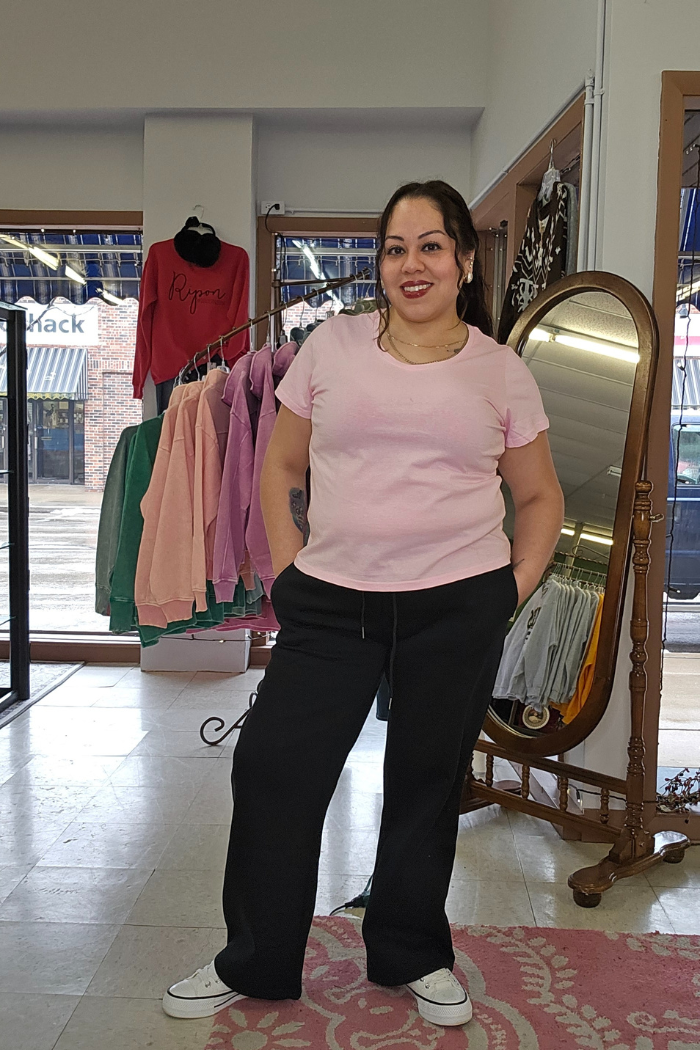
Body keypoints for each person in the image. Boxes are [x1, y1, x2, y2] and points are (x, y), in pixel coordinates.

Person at [163, 180, 564, 1028]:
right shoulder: (331, 348)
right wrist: (288, 575)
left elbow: (538, 498)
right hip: (332, 604)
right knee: (274, 771)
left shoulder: (501, 370)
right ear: (378, 264)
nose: (410, 264)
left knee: (425, 782)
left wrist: (507, 591)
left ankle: (410, 949)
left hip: (456, 607)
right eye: (393, 247)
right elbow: (280, 469)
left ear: (462, 259)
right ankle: (258, 958)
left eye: (429, 245)